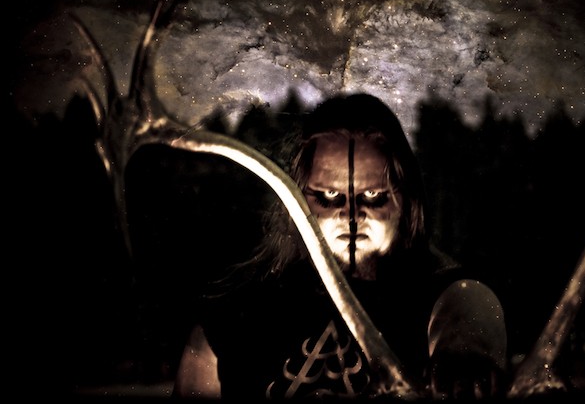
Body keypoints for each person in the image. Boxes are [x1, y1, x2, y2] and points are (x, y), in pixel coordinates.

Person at [173, 93, 508, 400]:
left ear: (406, 198)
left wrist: (464, 356)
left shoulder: (443, 294)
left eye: (373, 195)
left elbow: (466, 314)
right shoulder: (233, 318)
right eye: (330, 196)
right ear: (298, 196)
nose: (351, 216)